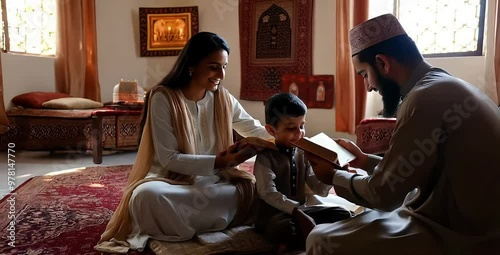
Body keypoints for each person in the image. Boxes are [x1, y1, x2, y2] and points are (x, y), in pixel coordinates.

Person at [305, 14, 500, 254]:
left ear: (382, 62)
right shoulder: (444, 84)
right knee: (363, 216)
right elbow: (414, 167)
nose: (368, 87)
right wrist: (364, 161)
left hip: (460, 233)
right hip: (462, 218)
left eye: (364, 74)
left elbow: (385, 195)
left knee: (321, 239)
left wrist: (333, 176)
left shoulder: (424, 98)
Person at [94, 32, 273, 253]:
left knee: (255, 189)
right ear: (192, 65)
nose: (221, 75)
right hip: (170, 183)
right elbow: (170, 159)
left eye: (224, 67)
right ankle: (214, 223)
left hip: (216, 184)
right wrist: (219, 161)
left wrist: (288, 140)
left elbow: (253, 128)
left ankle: (192, 225)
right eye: (213, 67)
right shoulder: (163, 98)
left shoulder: (223, 99)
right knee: (145, 198)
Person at [253, 93, 353, 253]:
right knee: (283, 229)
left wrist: (334, 175)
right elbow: (267, 193)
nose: (299, 133)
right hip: (275, 217)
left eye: (302, 126)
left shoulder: (303, 153)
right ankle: (305, 237)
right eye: (291, 128)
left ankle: (304, 237)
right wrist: (298, 214)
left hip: (301, 211)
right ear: (271, 130)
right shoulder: (265, 156)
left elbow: (318, 188)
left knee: (343, 214)